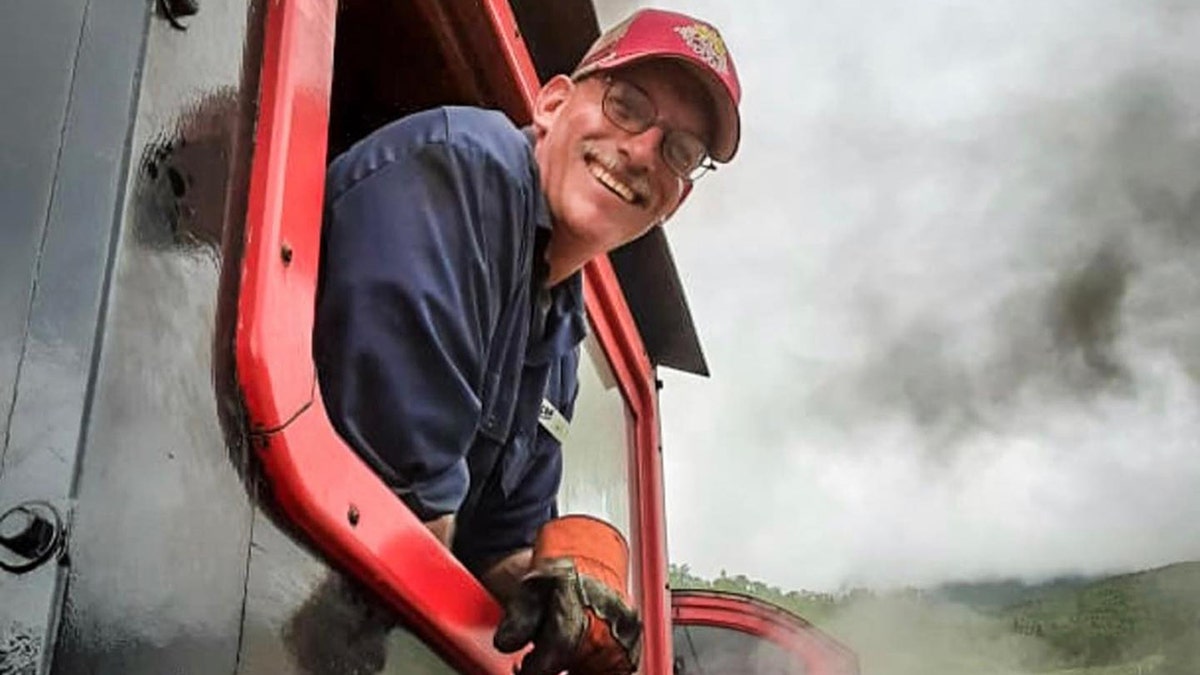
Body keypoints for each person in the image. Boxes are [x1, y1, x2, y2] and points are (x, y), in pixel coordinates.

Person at [314, 8, 741, 674]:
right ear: (552, 102)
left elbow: (494, 545)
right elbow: (400, 511)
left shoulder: (562, 337)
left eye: (679, 151)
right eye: (627, 105)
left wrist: (558, 592)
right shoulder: (465, 169)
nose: (640, 151)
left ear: (674, 200)